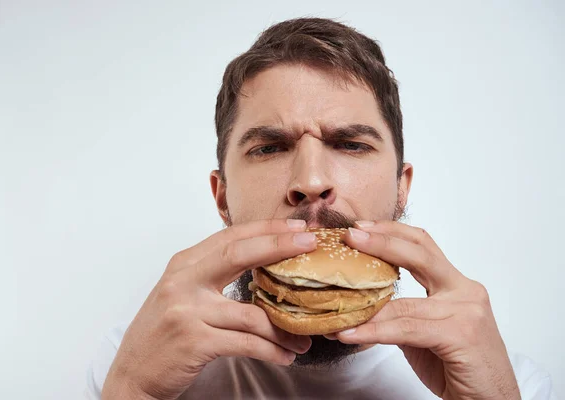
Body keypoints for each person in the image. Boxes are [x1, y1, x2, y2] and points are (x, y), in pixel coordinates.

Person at [85, 17, 556, 399]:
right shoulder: (133, 362)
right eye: (269, 148)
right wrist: (131, 391)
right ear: (222, 197)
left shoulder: (505, 382)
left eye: (350, 144)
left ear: (401, 188)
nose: (311, 182)